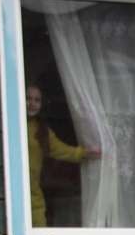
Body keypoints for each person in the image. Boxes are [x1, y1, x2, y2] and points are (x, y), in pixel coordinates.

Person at [26, 84, 100, 227]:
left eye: (37, 100)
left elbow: (63, 150)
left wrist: (85, 153)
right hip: (11, 192)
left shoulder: (42, 131)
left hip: (33, 196)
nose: (32, 104)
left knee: (39, 230)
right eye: (28, 98)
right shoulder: (13, 123)